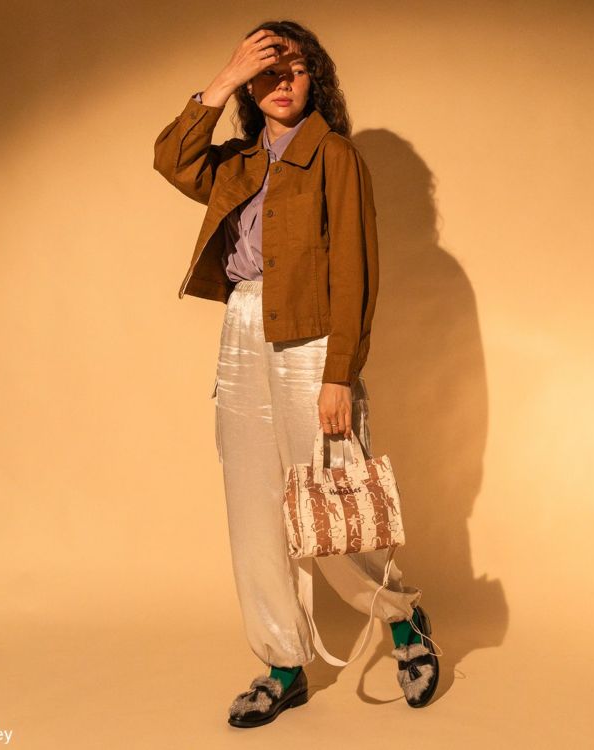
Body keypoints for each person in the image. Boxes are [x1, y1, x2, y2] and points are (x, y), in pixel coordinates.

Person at [153, 19, 440, 728]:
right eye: (265, 70)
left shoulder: (334, 155)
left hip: (313, 341)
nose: (281, 82)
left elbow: (356, 269)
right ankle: (283, 664)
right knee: (253, 508)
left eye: (295, 69)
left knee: (325, 500)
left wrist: (339, 373)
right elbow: (170, 160)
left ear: (317, 80)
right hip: (243, 329)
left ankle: (401, 617)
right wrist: (223, 79)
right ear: (248, 84)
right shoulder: (237, 162)